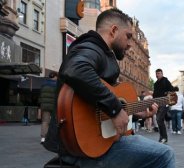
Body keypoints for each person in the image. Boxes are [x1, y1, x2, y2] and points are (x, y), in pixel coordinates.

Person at [54, 8, 175, 167]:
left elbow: (99, 105)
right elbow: (76, 68)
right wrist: (115, 109)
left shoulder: (101, 53)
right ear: (113, 30)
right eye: (128, 36)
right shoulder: (92, 47)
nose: (130, 44)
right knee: (165, 154)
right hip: (85, 147)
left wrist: (139, 113)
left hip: (94, 143)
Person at [153, 68, 174, 143]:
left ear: (162, 74)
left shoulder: (165, 81)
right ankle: (162, 137)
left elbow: (172, 89)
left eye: (159, 73)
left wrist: (167, 94)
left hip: (164, 103)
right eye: (156, 73)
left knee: (159, 119)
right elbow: (154, 94)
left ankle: (164, 137)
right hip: (157, 103)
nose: (157, 75)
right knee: (159, 120)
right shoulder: (155, 84)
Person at [39, 71, 57, 144]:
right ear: (55, 76)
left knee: (45, 122)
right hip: (54, 106)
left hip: (45, 106)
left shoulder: (43, 84)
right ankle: (54, 138)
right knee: (55, 122)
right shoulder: (57, 85)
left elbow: (41, 96)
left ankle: (43, 138)